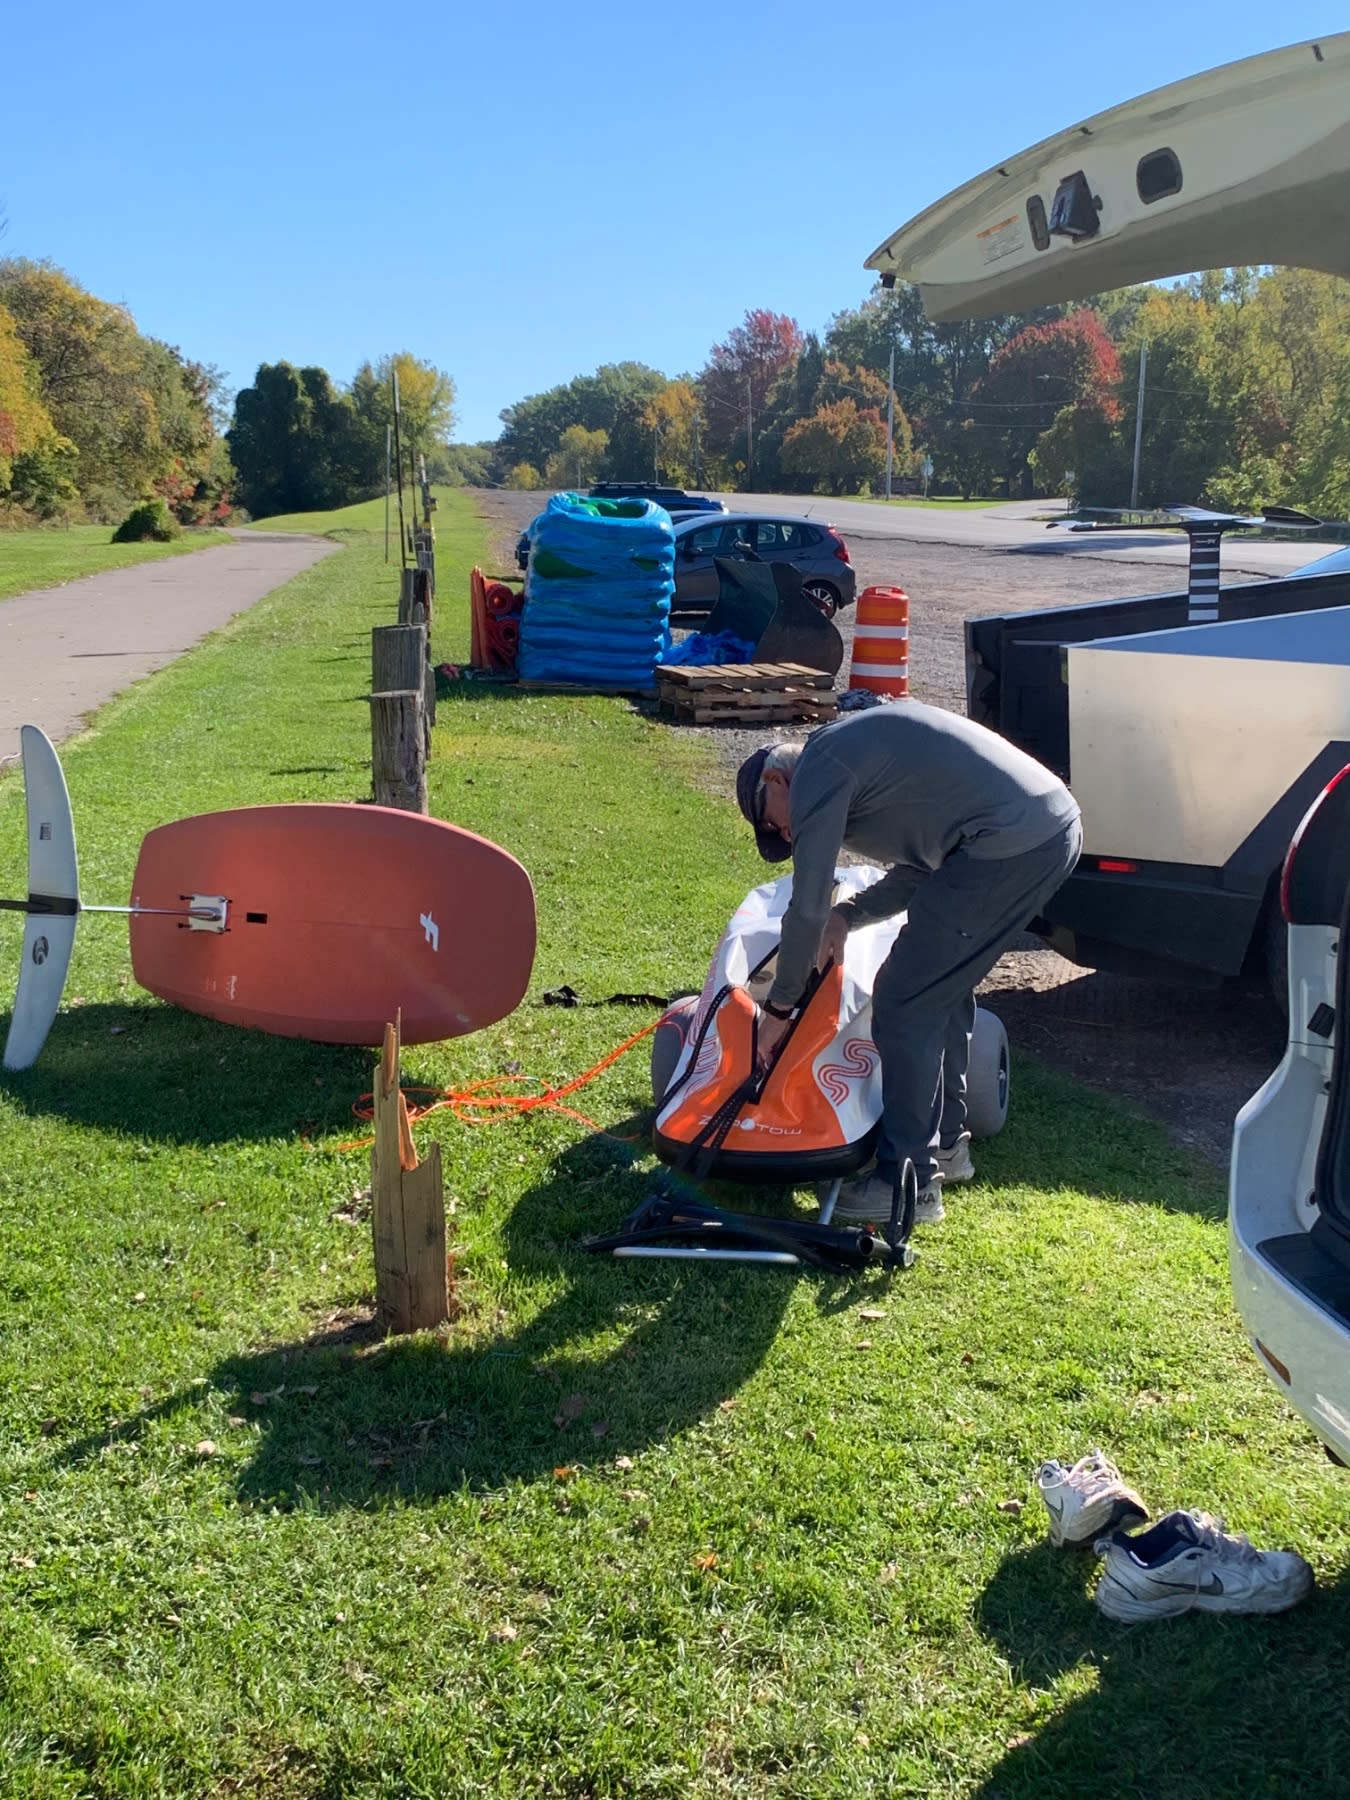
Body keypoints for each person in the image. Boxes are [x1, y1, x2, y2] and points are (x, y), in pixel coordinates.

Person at [735, 702, 1081, 1224]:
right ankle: (944, 1147)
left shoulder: (822, 765)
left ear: (780, 780)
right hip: (1045, 829)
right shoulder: (863, 758)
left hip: (1011, 843)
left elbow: (805, 905)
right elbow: (926, 869)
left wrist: (778, 1011)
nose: (786, 835)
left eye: (772, 822)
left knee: (902, 999)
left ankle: (907, 1183)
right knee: (940, 987)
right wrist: (847, 916)